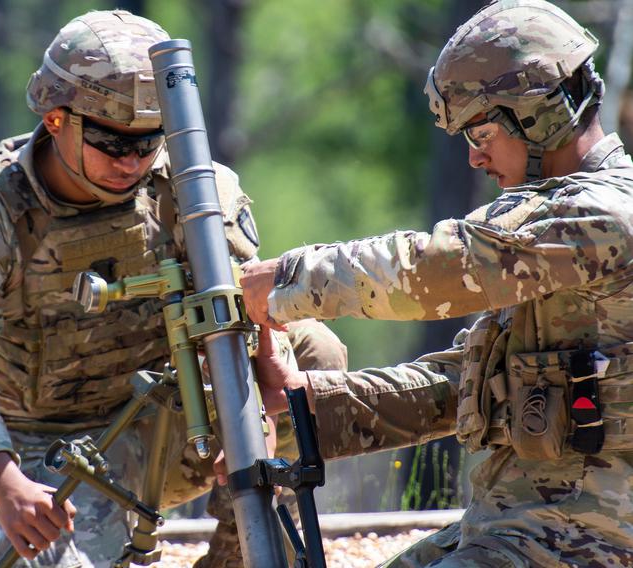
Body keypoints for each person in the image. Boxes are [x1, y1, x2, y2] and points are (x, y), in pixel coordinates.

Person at [0, 9, 346, 567]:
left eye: (149, 143)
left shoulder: (188, 187)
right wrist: (4, 483)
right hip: (52, 445)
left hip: (173, 418)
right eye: (113, 144)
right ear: (57, 119)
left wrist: (251, 415)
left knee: (314, 352)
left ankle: (240, 554)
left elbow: (242, 308)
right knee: (46, 554)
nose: (133, 163)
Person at [241, 1, 633, 566]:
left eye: (482, 132)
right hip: (525, 529)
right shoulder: (550, 224)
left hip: (589, 540)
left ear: (539, 117)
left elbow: (435, 269)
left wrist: (287, 280)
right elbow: (465, 386)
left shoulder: (601, 218)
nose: (475, 158)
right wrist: (306, 401)